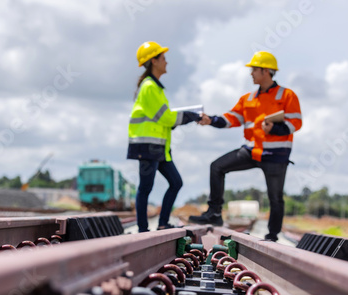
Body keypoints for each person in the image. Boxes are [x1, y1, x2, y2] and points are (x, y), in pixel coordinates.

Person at [189, 51, 302, 242]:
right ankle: (214, 213)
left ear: (265, 71)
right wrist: (211, 120)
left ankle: (272, 236)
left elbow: (296, 123)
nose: (251, 73)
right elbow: (231, 118)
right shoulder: (247, 99)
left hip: (276, 154)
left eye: (254, 70)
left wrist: (275, 128)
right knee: (217, 167)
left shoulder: (287, 95)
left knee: (276, 198)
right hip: (252, 150)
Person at [128, 41, 202, 232]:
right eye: (163, 58)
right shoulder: (150, 87)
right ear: (154, 61)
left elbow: (162, 119)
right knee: (146, 187)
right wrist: (190, 116)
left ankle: (161, 223)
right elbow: (166, 117)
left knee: (175, 183)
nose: (166, 62)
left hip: (157, 146)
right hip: (147, 146)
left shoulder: (155, 87)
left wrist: (183, 119)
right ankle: (143, 229)